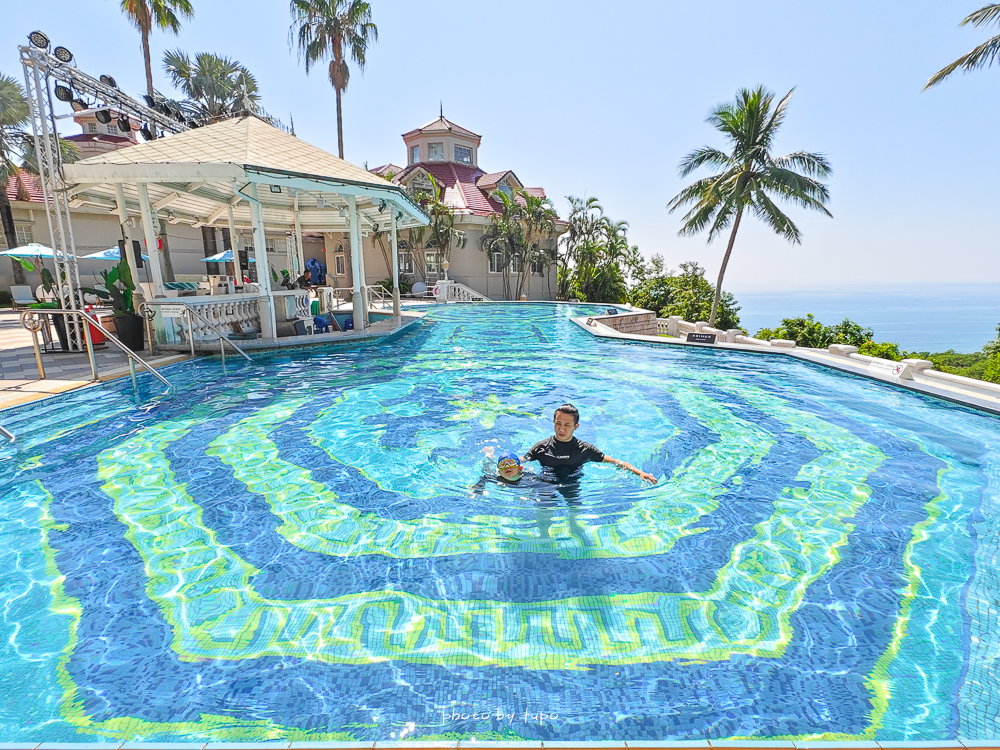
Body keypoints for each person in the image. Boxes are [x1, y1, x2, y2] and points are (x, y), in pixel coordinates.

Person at [523, 403, 657, 483]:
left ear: (576, 426)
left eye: (567, 425)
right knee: (544, 510)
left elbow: (615, 462)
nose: (561, 429)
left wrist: (639, 472)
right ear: (553, 422)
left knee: (574, 510)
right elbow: (521, 461)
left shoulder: (585, 449)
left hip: (572, 484)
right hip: (546, 484)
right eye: (558, 423)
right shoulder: (541, 447)